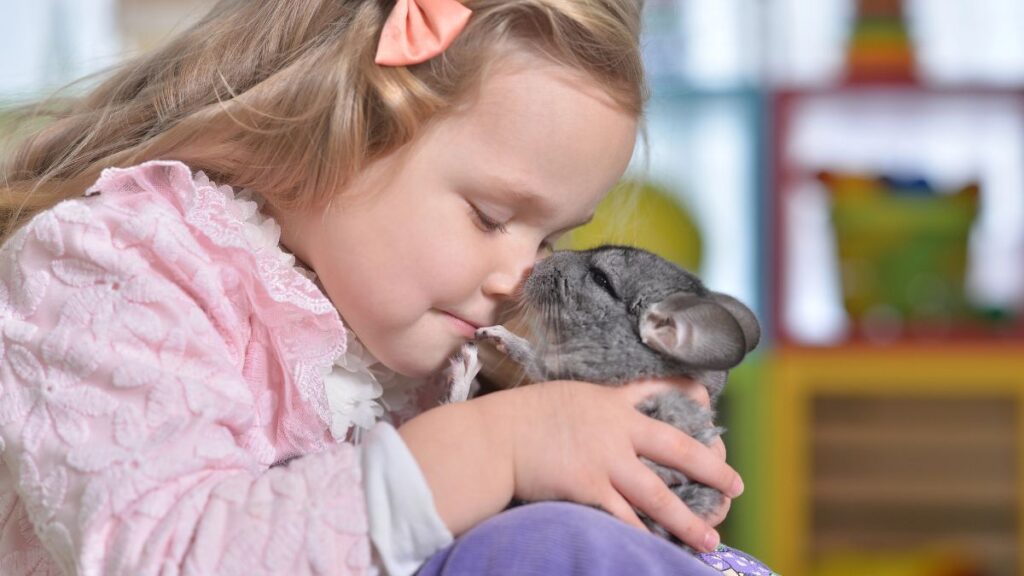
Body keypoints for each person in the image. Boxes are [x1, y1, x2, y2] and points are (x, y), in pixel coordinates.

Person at [0, 1, 768, 574]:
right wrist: (500, 448)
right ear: (349, 120)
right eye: (491, 215)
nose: (519, 277)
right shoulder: (112, 267)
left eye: (551, 239)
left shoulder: (414, 338)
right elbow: (165, 552)